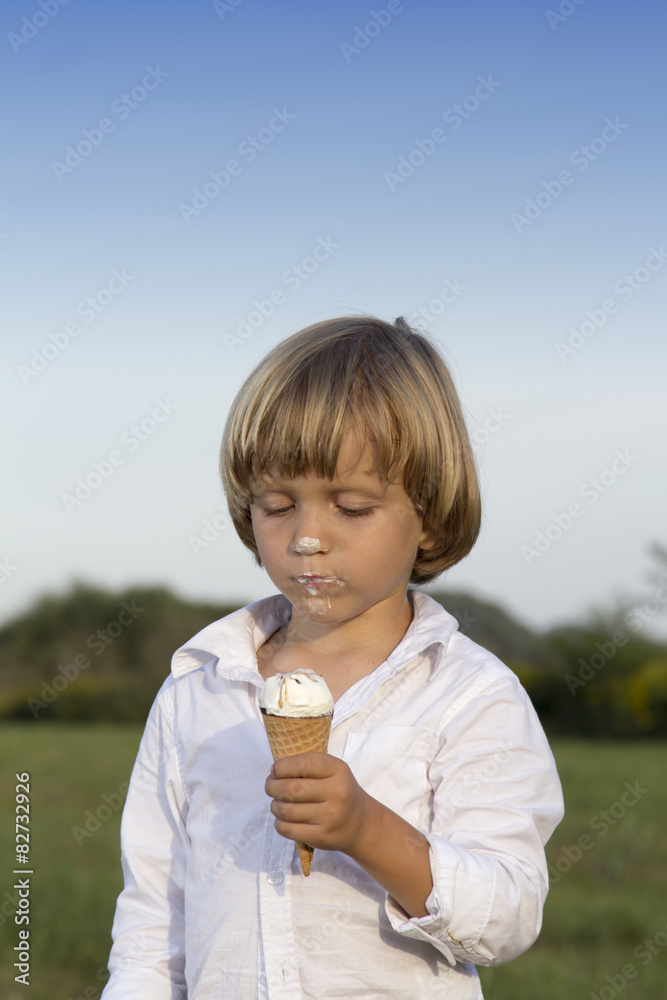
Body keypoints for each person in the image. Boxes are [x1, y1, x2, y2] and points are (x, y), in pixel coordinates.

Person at [101, 315, 564, 999]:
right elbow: (152, 914)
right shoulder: (198, 689)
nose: (307, 537)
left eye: (350, 507)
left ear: (429, 515)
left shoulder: (471, 697)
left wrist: (367, 829)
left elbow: (506, 916)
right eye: (277, 503)